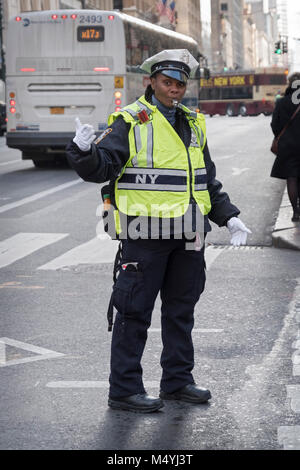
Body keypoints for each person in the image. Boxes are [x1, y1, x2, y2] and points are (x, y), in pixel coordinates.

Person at [66, 49, 251, 413]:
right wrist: (83, 151)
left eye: (180, 84)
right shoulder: (130, 120)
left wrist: (228, 216)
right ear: (151, 81)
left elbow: (204, 180)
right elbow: (104, 167)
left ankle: (177, 381)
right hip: (145, 235)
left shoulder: (194, 123)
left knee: (181, 311)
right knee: (134, 312)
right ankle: (123, 389)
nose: (175, 90)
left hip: (188, 234)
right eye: (168, 82)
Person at [271, 72, 300, 222]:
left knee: (292, 178)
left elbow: (274, 124)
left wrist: (281, 137)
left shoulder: (282, 102)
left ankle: (295, 212)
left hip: (288, 146)